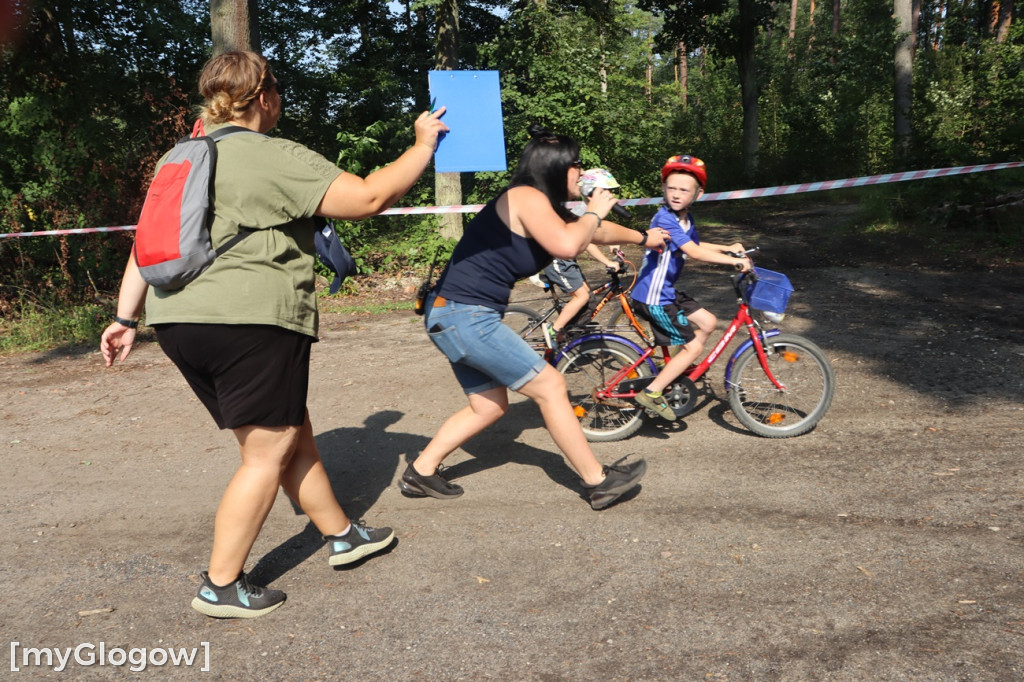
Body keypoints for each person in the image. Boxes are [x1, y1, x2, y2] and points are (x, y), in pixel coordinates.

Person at [99, 50, 448, 618]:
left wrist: (125, 318)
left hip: (180, 322)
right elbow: (368, 198)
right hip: (249, 320)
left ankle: (341, 535)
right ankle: (220, 584)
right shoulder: (268, 154)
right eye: (278, 91)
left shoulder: (179, 156)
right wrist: (423, 145)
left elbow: (147, 242)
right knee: (265, 454)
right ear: (264, 96)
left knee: (290, 432)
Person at [400, 125, 669, 511]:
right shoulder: (524, 196)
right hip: (463, 315)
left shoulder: (545, 205)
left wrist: (644, 237)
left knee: (489, 407)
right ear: (558, 167)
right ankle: (598, 481)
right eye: (577, 165)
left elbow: (592, 231)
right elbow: (567, 242)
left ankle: (421, 471)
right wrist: (594, 209)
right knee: (550, 386)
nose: (582, 172)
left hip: (455, 316)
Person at [630, 154, 752, 420]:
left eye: (683, 190)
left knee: (708, 322)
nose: (676, 194)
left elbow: (695, 245)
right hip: (653, 297)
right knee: (694, 348)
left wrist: (728, 248)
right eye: (671, 188)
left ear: (698, 193)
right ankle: (652, 392)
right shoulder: (665, 219)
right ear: (663, 189)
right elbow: (692, 253)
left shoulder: (686, 219)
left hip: (666, 292)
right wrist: (734, 263)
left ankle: (676, 368)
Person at [541, 169, 626, 345]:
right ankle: (553, 331)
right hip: (557, 259)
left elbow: (598, 234)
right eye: (605, 191)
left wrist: (611, 243)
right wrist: (607, 261)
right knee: (582, 297)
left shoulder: (590, 210)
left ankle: (571, 333)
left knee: (589, 298)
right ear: (590, 193)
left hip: (567, 260)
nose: (610, 195)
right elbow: (588, 243)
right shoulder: (582, 212)